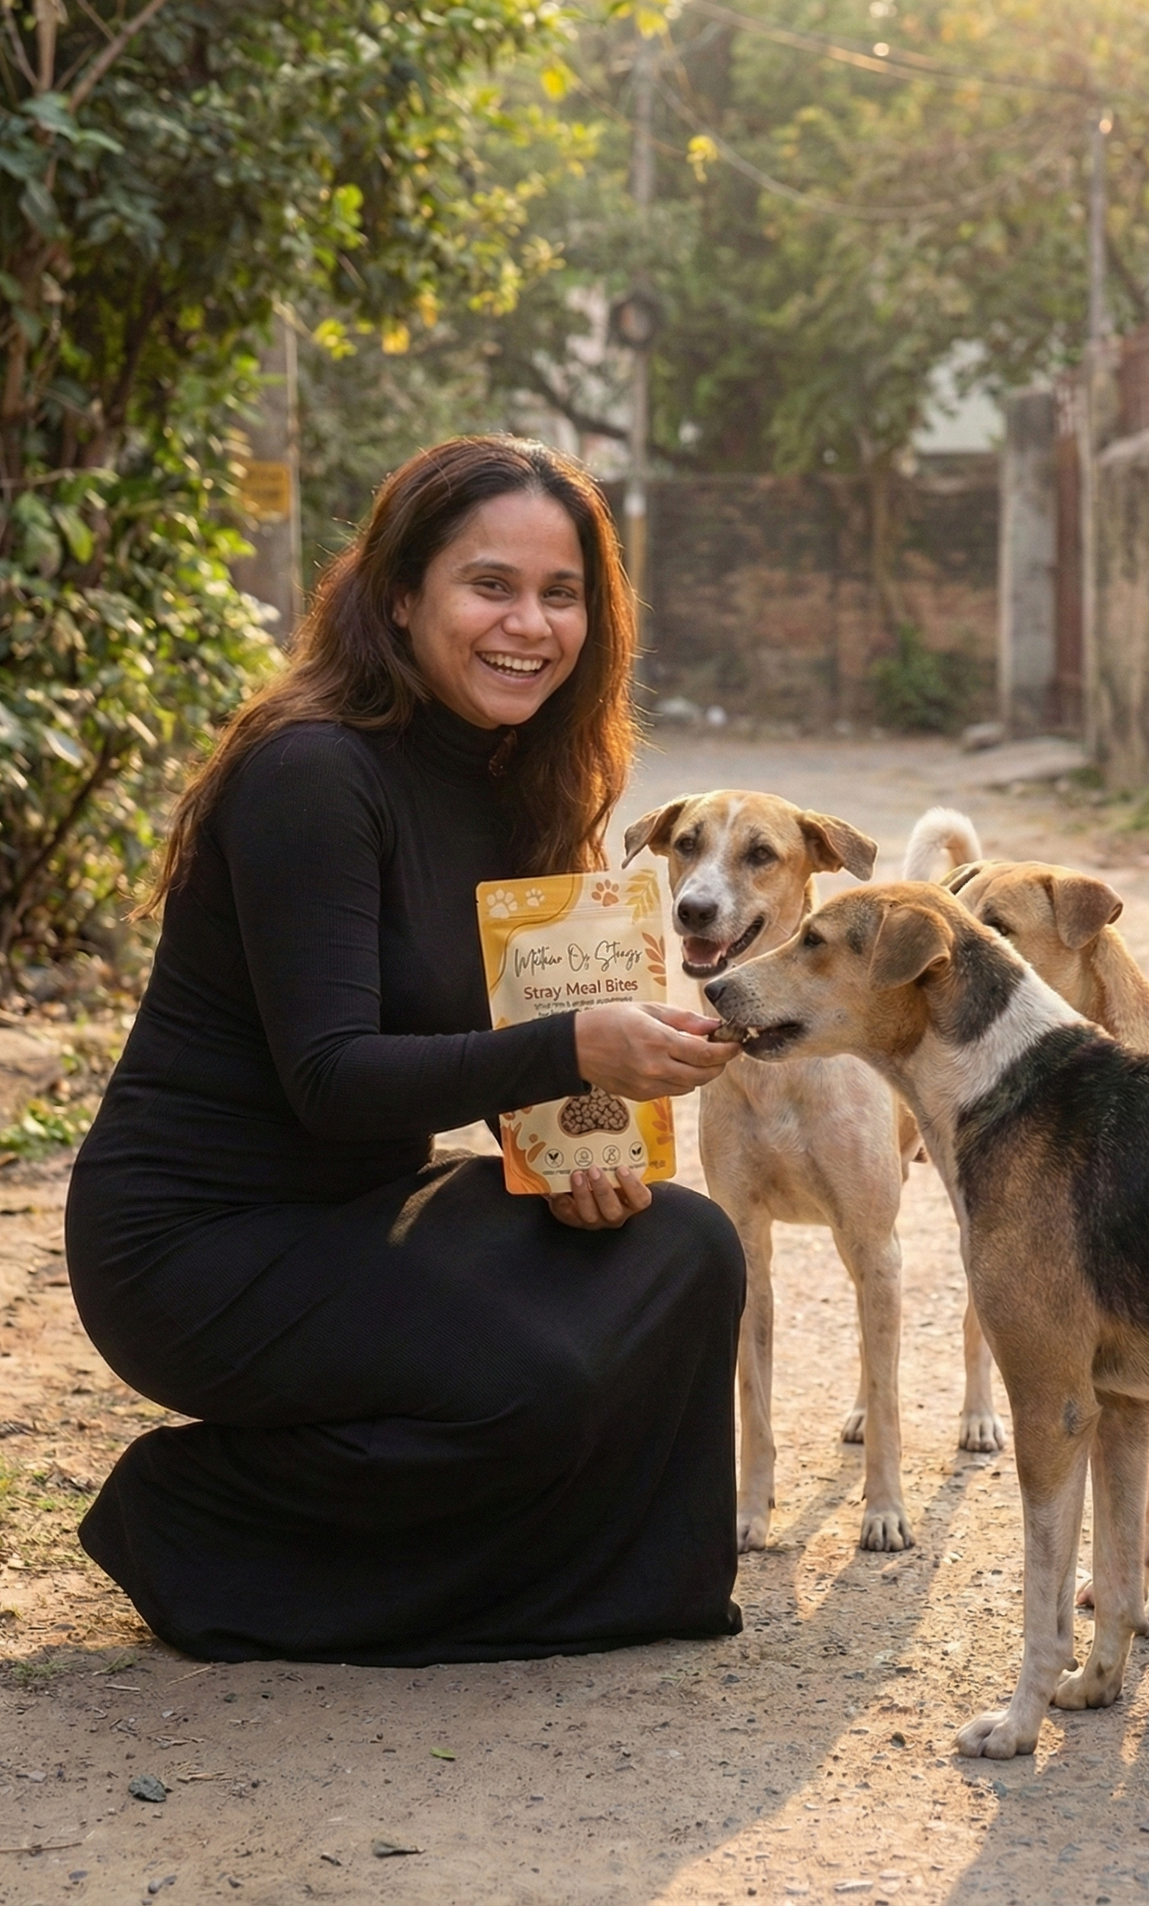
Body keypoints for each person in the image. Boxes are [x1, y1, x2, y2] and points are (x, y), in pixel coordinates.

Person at [65, 437, 746, 1666]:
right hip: (194, 1244)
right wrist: (574, 1048)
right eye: (489, 586)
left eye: (561, 593)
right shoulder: (310, 772)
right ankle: (188, 1517)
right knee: (534, 1376)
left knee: (683, 1252)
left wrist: (570, 1161)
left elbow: (499, 1026)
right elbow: (331, 1079)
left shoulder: (520, 775)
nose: (528, 625)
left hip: (353, 1206)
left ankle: (604, 1585)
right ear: (397, 597)